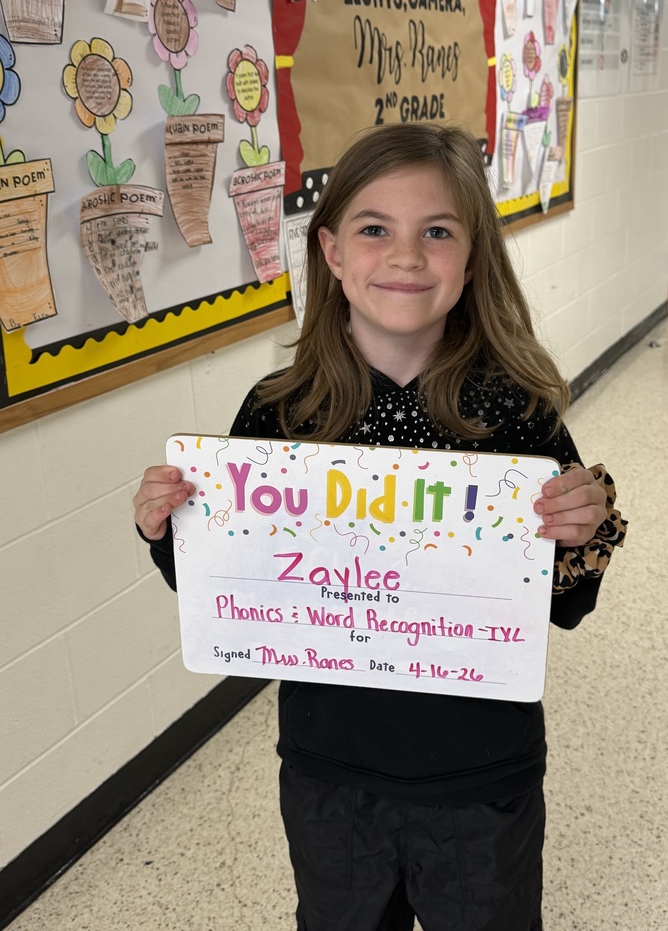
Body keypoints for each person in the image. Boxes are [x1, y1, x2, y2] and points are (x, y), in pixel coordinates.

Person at [134, 122, 627, 931]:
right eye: (374, 230)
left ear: (470, 262)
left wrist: (585, 529)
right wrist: (167, 526)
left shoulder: (515, 417)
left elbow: (566, 603)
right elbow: (224, 591)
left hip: (481, 775)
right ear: (330, 253)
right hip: (332, 773)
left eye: (437, 232)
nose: (405, 257)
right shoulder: (281, 414)